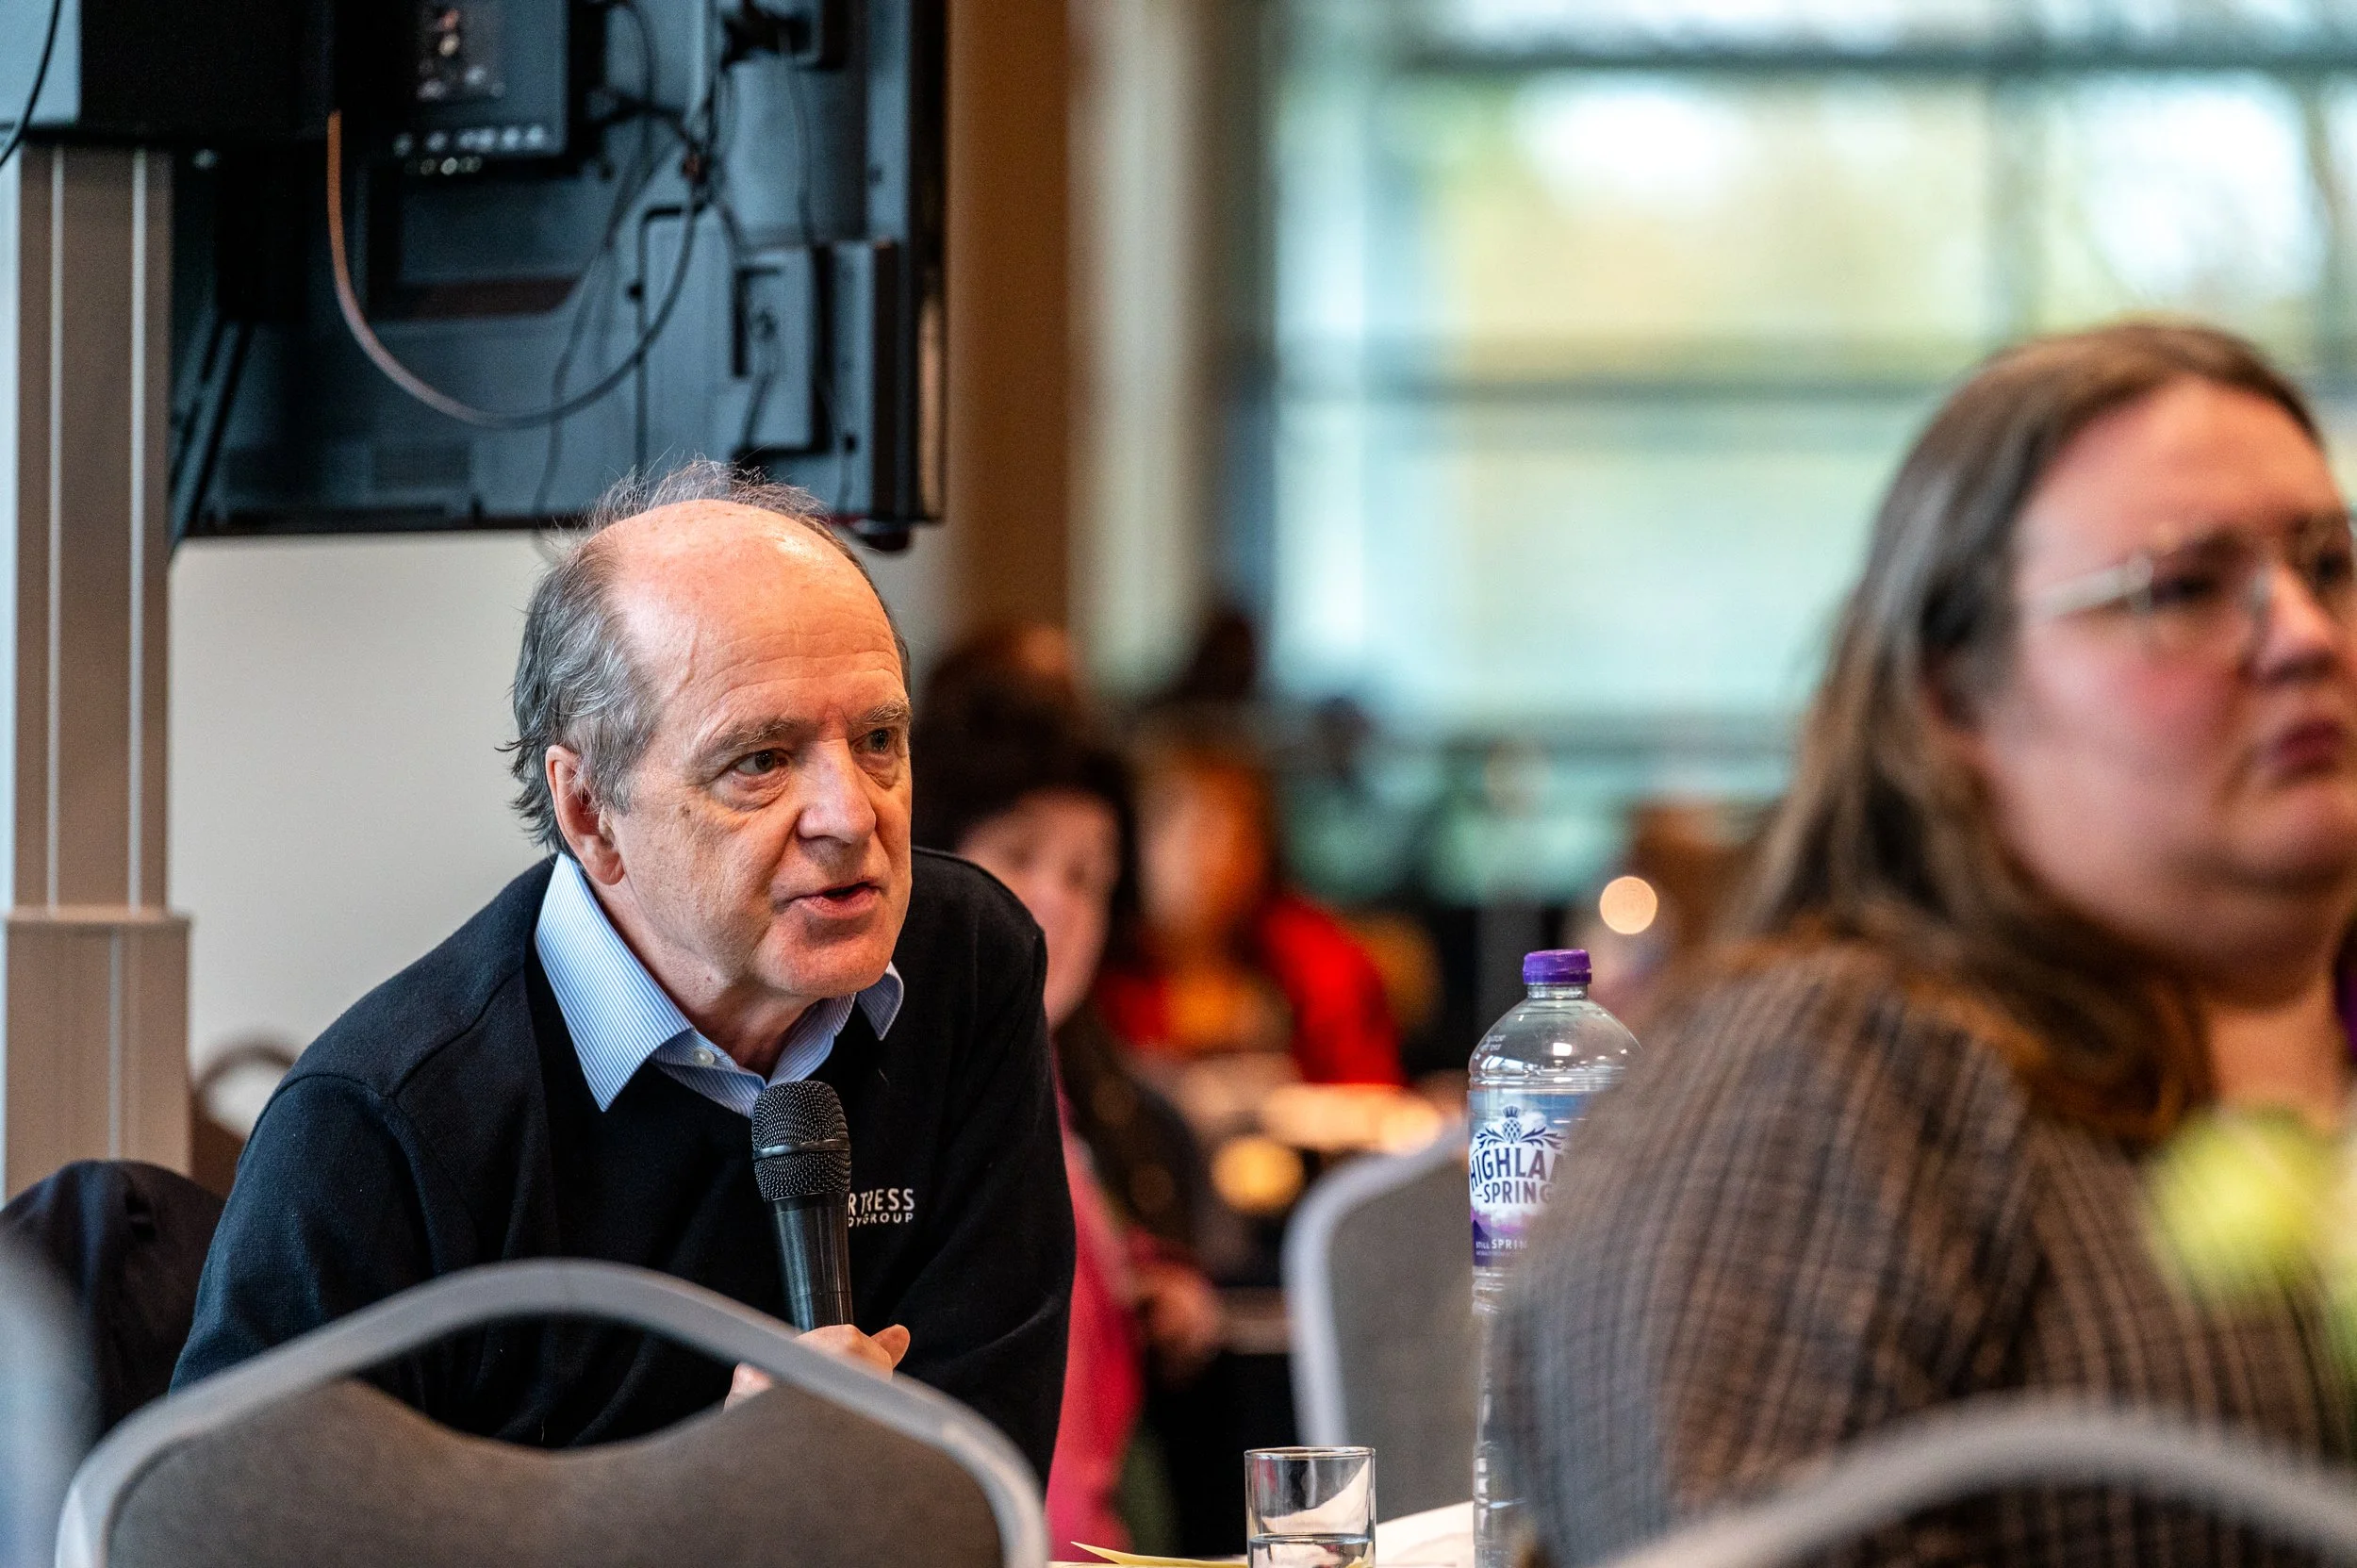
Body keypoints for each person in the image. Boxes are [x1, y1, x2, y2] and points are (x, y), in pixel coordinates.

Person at [1499, 322, 2357, 1564]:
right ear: (1957, 697)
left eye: (2332, 564)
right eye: (2182, 587)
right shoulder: (1836, 1067)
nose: (2307, 634)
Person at [173, 463, 1074, 1480]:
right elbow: (219, 1530)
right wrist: (695, 1508)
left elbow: (987, 1476)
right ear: (590, 810)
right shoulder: (385, 1123)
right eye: (760, 761)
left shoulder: (964, 967)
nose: (850, 815)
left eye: (877, 739)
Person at [912, 653, 1223, 1557]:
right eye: (1019, 855)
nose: (1055, 901)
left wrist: (1149, 1287)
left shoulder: (1070, 1082)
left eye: (1087, 875)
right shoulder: (912, 1091)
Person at [1096, 734, 1404, 1086]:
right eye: (1198, 829)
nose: (1221, 860)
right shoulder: (1094, 962)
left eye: (1241, 836)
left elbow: (1368, 1089)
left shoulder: (1300, 952)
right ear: (1134, 840)